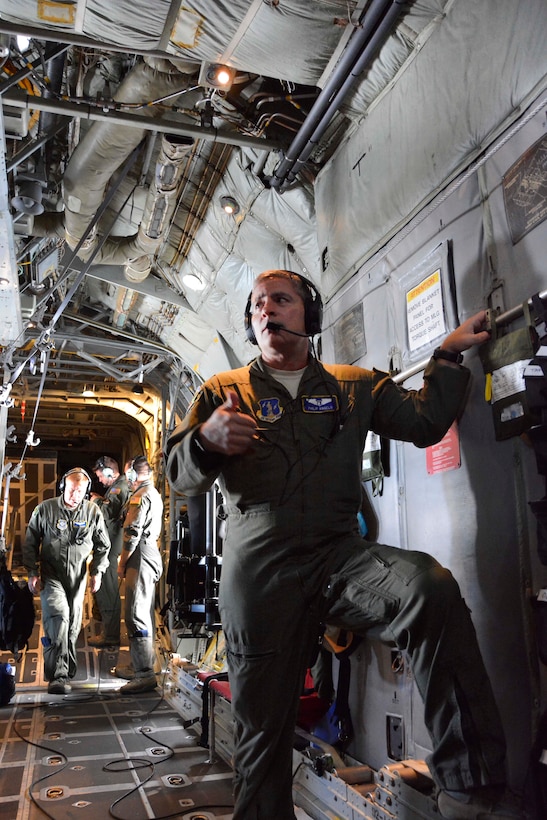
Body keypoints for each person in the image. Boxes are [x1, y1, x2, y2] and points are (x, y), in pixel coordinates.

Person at [164, 269, 521, 820]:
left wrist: (446, 358)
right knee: (263, 734)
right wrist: (205, 441)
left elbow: (425, 422)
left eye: (280, 300)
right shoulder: (222, 392)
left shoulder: (353, 387)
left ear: (310, 315)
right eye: (257, 305)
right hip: (260, 573)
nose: (266, 311)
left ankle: (470, 790)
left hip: (338, 557)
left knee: (429, 588)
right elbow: (177, 473)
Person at [23, 468, 111, 695]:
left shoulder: (92, 512)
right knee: (58, 617)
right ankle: (58, 676)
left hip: (78, 578)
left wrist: (97, 572)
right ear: (63, 487)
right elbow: (31, 541)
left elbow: (103, 545)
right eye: (71, 490)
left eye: (80, 491)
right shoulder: (45, 509)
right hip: (51, 575)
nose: (74, 495)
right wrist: (32, 572)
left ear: (86, 491)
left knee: (72, 625)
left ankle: (67, 669)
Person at [116, 455, 163, 694]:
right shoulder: (151, 493)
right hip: (148, 553)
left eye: (128, 474)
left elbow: (132, 532)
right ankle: (140, 665)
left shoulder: (140, 496)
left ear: (135, 474)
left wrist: (122, 562)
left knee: (135, 614)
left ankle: (144, 674)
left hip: (140, 555)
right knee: (143, 611)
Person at [88, 456, 132, 647]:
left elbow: (107, 513)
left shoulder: (118, 487)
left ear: (109, 472)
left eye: (100, 476)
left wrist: (96, 501)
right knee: (106, 589)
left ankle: (111, 636)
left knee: (108, 591)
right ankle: (106, 627)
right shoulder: (117, 487)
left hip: (110, 549)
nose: (100, 480)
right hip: (110, 546)